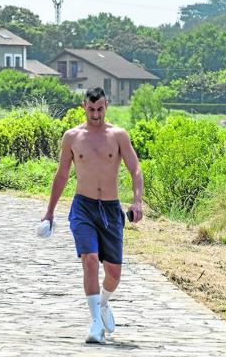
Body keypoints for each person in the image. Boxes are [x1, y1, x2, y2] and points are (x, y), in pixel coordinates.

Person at [41, 87, 143, 344]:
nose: (95, 114)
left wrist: (138, 200)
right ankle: (95, 322)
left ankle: (104, 304)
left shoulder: (118, 135)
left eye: (100, 109)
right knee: (89, 259)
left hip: (110, 209)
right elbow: (62, 175)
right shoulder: (72, 137)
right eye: (91, 109)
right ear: (83, 106)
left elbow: (135, 169)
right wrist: (49, 212)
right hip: (83, 207)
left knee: (113, 273)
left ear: (106, 105)